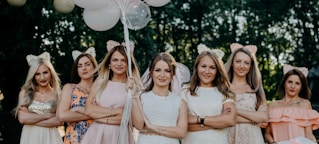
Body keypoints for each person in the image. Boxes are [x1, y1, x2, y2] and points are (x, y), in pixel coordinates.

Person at [81, 40, 143, 144]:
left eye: (123, 60)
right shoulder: (100, 83)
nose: (119, 64)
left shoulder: (133, 87)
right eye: (115, 60)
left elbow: (134, 122)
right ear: (109, 63)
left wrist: (99, 115)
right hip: (96, 135)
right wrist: (116, 112)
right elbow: (88, 110)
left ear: (129, 63)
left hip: (120, 136)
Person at [181, 44, 237, 144]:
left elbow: (230, 120)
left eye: (212, 67)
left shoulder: (224, 92)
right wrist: (219, 122)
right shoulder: (185, 90)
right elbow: (181, 123)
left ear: (217, 71)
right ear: (197, 67)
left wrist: (199, 119)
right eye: (203, 66)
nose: (207, 71)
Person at [131, 52, 188, 144]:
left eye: (167, 71)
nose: (162, 75)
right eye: (157, 70)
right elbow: (139, 125)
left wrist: (151, 127)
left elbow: (181, 132)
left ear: (172, 74)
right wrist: (134, 96)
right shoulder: (140, 97)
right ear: (151, 72)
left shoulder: (180, 102)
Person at [13, 52, 63, 144]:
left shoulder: (58, 94)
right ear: (33, 76)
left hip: (51, 137)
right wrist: (47, 116)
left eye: (45, 72)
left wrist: (31, 120)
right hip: (30, 137)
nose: (42, 77)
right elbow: (22, 119)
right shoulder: (25, 93)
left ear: (51, 72)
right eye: (37, 74)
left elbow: (59, 121)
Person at [264, 64, 319, 144]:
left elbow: (308, 134)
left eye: (297, 83)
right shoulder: (272, 106)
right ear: (284, 83)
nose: (293, 86)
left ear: (301, 87)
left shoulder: (304, 104)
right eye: (290, 82)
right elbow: (267, 134)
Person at [225, 43, 268, 144]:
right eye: (238, 61)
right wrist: (254, 118)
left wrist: (235, 111)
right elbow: (221, 116)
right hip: (228, 136)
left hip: (253, 138)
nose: (242, 66)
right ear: (232, 63)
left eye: (246, 63)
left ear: (251, 66)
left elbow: (263, 117)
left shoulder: (256, 89)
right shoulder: (224, 88)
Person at [58, 47, 98, 144]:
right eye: (79, 66)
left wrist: (79, 111)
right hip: (75, 138)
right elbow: (62, 115)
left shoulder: (101, 89)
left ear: (94, 66)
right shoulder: (69, 88)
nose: (83, 68)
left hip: (97, 137)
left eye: (87, 64)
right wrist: (95, 114)